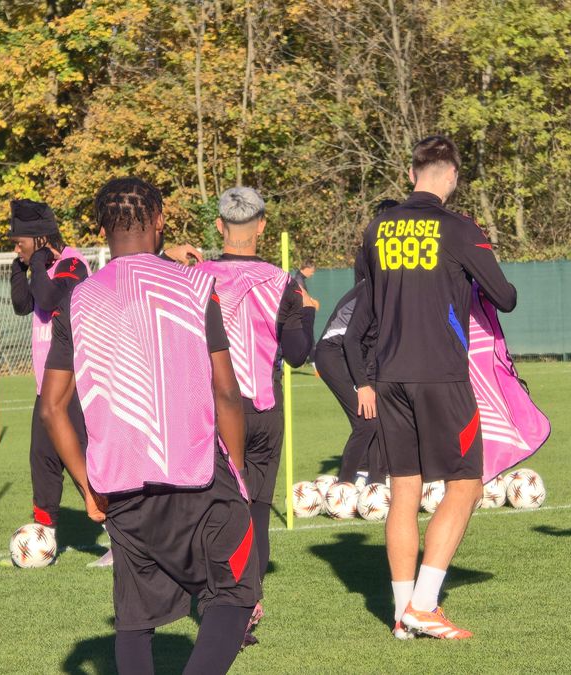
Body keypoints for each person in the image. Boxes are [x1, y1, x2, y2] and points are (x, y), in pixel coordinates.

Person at [39, 177, 256, 675]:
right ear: (160, 221)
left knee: (135, 619)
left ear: (100, 229)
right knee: (235, 594)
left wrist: (87, 486)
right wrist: (238, 472)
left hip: (121, 481)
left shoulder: (77, 299)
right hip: (198, 471)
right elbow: (226, 390)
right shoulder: (198, 283)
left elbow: (52, 407)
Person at [358, 135, 517, 639]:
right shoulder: (459, 228)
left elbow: (367, 292)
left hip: (388, 373)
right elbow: (505, 297)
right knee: (466, 483)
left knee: (403, 491)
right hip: (440, 373)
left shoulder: (377, 228)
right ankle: (425, 604)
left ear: (411, 174)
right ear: (451, 178)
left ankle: (403, 616)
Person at [196, 187, 317, 645]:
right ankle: (248, 607)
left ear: (220, 227)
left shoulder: (197, 277)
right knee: (258, 514)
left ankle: (216, 609)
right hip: (264, 411)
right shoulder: (282, 280)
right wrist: (305, 313)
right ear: (263, 225)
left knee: (216, 512)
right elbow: (297, 354)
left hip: (217, 409)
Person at [5, 199, 114, 566]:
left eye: (18, 241)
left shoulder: (72, 263)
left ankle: (120, 539)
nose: (14, 247)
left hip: (74, 382)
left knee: (83, 458)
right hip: (45, 385)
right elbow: (23, 303)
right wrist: (21, 265)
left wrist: (37, 260)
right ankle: (42, 539)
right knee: (43, 458)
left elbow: (50, 299)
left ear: (37, 238)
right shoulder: (35, 263)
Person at [314, 200, 398, 485]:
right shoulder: (375, 285)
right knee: (367, 421)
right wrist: (364, 385)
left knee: (377, 420)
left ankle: (377, 482)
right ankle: (344, 485)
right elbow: (351, 340)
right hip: (333, 351)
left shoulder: (390, 285)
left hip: (354, 352)